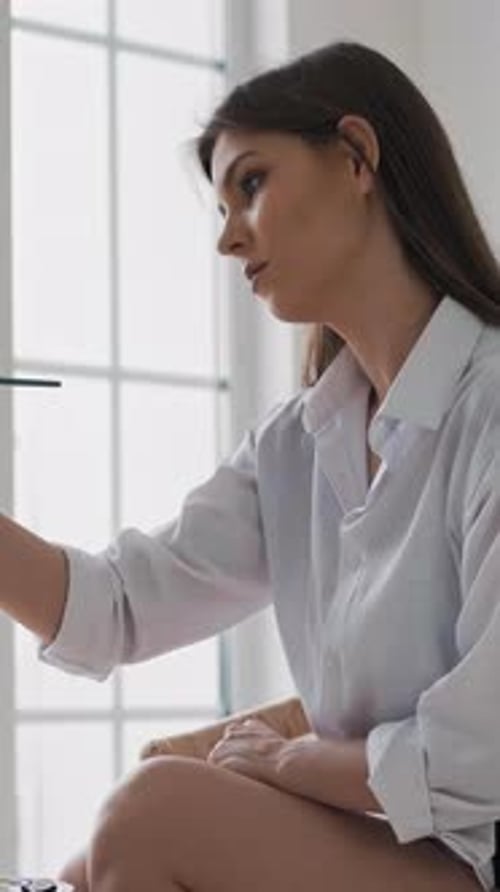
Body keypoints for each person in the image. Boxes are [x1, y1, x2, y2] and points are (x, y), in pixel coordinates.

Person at [1, 38, 499, 892]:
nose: (229, 239)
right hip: (390, 847)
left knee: (149, 815)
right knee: (80, 872)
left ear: (356, 157)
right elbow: (116, 607)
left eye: (253, 184)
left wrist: (292, 760)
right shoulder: (295, 445)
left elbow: (483, 752)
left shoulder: (487, 405)